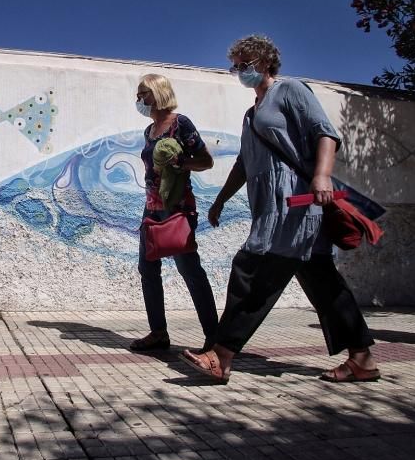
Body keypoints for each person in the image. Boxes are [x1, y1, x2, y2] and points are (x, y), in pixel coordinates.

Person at [180, 35, 380, 383]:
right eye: (236, 66)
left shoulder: (291, 91)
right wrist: (221, 199)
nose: (240, 70)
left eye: (246, 64)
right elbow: (244, 163)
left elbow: (325, 133)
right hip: (268, 207)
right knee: (323, 282)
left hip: (296, 204)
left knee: (253, 269)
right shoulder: (250, 114)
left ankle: (222, 354)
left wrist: (322, 176)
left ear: (265, 61)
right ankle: (362, 358)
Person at [129, 73, 219, 352]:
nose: (139, 100)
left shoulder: (180, 124)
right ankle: (158, 333)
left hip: (178, 208)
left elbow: (206, 161)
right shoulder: (149, 131)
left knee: (189, 269)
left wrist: (181, 161)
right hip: (151, 208)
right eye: (138, 95)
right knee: (148, 269)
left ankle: (214, 337)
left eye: (144, 93)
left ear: (158, 93)